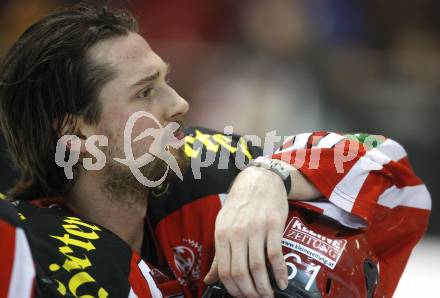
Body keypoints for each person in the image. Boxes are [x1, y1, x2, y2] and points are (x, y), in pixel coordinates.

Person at [0, 3, 431, 298]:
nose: (179, 104)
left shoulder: (202, 163)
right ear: (75, 131)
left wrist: (268, 177)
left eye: (165, 79)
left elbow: (386, 163)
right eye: (146, 92)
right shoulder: (27, 252)